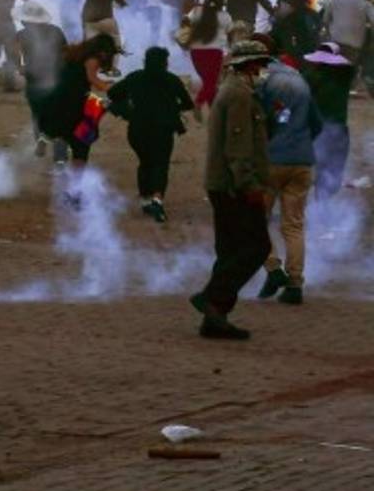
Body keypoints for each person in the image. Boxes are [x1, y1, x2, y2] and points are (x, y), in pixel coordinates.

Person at [190, 40, 274, 341]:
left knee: (229, 250)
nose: (262, 70)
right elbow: (237, 147)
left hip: (223, 183)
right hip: (233, 186)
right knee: (256, 247)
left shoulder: (233, 91)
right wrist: (249, 184)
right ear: (249, 65)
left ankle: (215, 316)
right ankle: (213, 296)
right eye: (260, 65)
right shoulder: (239, 95)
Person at [256, 39, 322, 305]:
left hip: (272, 160)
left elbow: (260, 122)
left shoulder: (263, 82)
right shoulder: (299, 81)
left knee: (256, 221)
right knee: (293, 225)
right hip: (302, 161)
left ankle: (273, 269)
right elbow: (316, 123)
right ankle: (295, 283)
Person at [106, 46, 194, 221]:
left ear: (145, 61)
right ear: (165, 63)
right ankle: (157, 199)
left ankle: (146, 201)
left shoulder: (135, 77)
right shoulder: (172, 80)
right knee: (161, 164)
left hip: (138, 128)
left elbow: (112, 92)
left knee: (145, 162)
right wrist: (172, 108)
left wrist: (127, 106)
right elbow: (188, 103)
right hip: (163, 129)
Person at [38, 33, 119, 168]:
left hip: (59, 95)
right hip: (74, 99)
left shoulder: (77, 54)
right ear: (102, 50)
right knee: (83, 132)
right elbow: (92, 79)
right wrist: (110, 88)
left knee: (60, 127)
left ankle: (46, 139)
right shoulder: (93, 59)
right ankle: (77, 167)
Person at [300, 41, 356, 198]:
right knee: (332, 173)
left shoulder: (310, 76)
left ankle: (318, 208)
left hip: (317, 130)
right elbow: (350, 67)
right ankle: (325, 208)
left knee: (319, 169)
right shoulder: (344, 77)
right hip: (339, 130)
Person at [14, 0, 68, 162]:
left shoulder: (21, 35)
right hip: (58, 78)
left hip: (34, 80)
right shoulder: (56, 31)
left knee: (38, 114)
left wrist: (21, 68)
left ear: (25, 20)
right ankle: (60, 158)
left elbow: (16, 57)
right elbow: (66, 54)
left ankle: (41, 138)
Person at [183, 0, 232, 110]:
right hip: (214, 51)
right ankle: (199, 102)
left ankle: (214, 110)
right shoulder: (225, 16)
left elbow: (185, 22)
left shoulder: (196, 12)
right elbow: (230, 33)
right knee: (211, 82)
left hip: (195, 51)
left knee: (208, 81)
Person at [322, 0, 374, 68]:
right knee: (348, 70)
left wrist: (328, 33)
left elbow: (325, 20)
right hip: (354, 43)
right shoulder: (365, 4)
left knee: (333, 69)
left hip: (335, 40)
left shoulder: (334, 1)